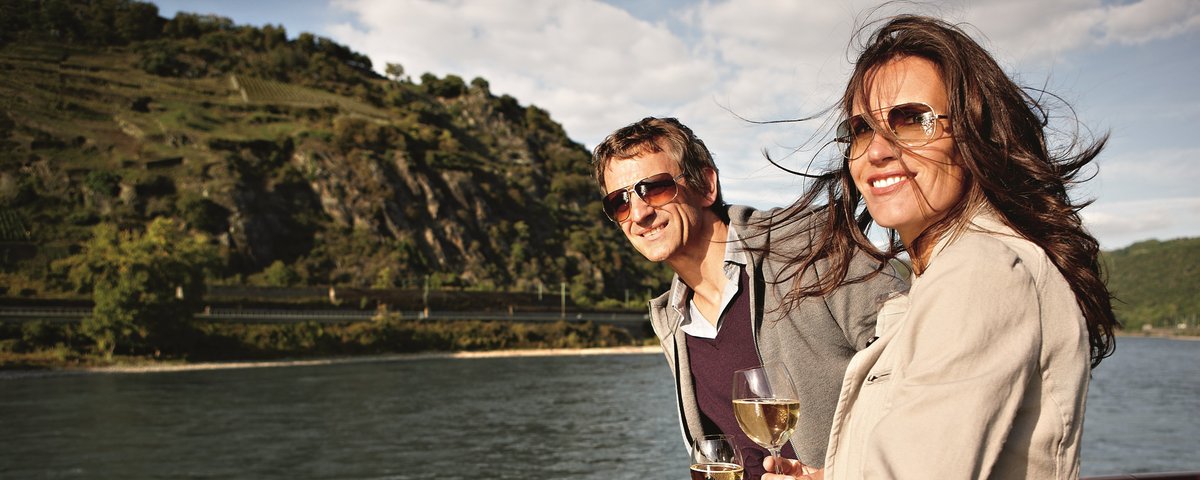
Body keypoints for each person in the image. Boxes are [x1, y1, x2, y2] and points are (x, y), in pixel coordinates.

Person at [763, 15, 1119, 480]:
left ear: (976, 135)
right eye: (861, 129)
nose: (876, 151)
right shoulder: (948, 275)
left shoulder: (980, 270)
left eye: (911, 120)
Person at [591, 117, 904, 479]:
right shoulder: (672, 320)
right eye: (620, 202)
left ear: (706, 185)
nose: (640, 214)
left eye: (656, 188)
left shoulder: (807, 245)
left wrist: (843, 473)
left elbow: (919, 364)